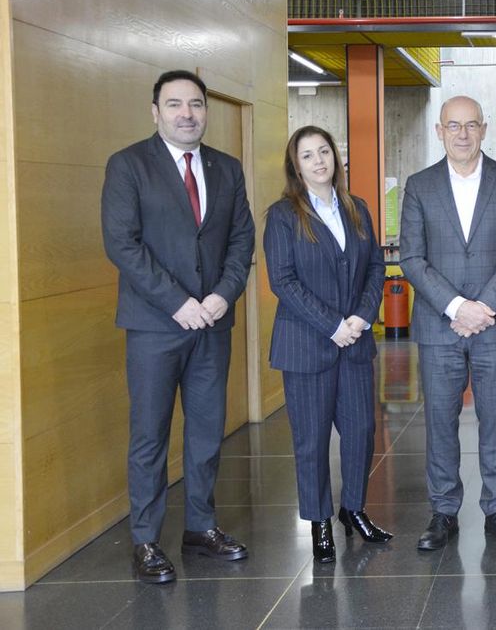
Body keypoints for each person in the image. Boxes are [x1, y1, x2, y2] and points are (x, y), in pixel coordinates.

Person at [101, 70, 255, 583]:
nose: (186, 113)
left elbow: (241, 240)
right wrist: (177, 302)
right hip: (154, 326)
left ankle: (201, 527)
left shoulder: (227, 168)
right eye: (174, 104)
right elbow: (122, 244)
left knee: (207, 431)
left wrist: (222, 294)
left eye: (195, 104)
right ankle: (146, 539)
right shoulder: (128, 165)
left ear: (205, 111)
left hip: (212, 322)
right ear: (155, 112)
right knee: (150, 434)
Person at [399, 96, 496, 551]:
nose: (462, 134)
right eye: (453, 126)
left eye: (471, 125)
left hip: (495, 324)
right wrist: (457, 307)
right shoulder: (419, 186)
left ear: (484, 129)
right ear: (439, 131)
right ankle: (443, 512)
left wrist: (483, 307)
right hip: (440, 326)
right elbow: (412, 258)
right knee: (440, 422)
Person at [263, 126, 390, 564]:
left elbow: (375, 267)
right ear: (295, 166)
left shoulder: (357, 208)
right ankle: (319, 521)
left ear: (335, 157)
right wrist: (332, 324)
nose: (319, 161)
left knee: (360, 432)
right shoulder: (283, 216)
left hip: (354, 342)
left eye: (324, 151)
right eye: (307, 155)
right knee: (312, 439)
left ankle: (353, 508)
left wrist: (363, 316)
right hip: (306, 345)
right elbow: (283, 280)